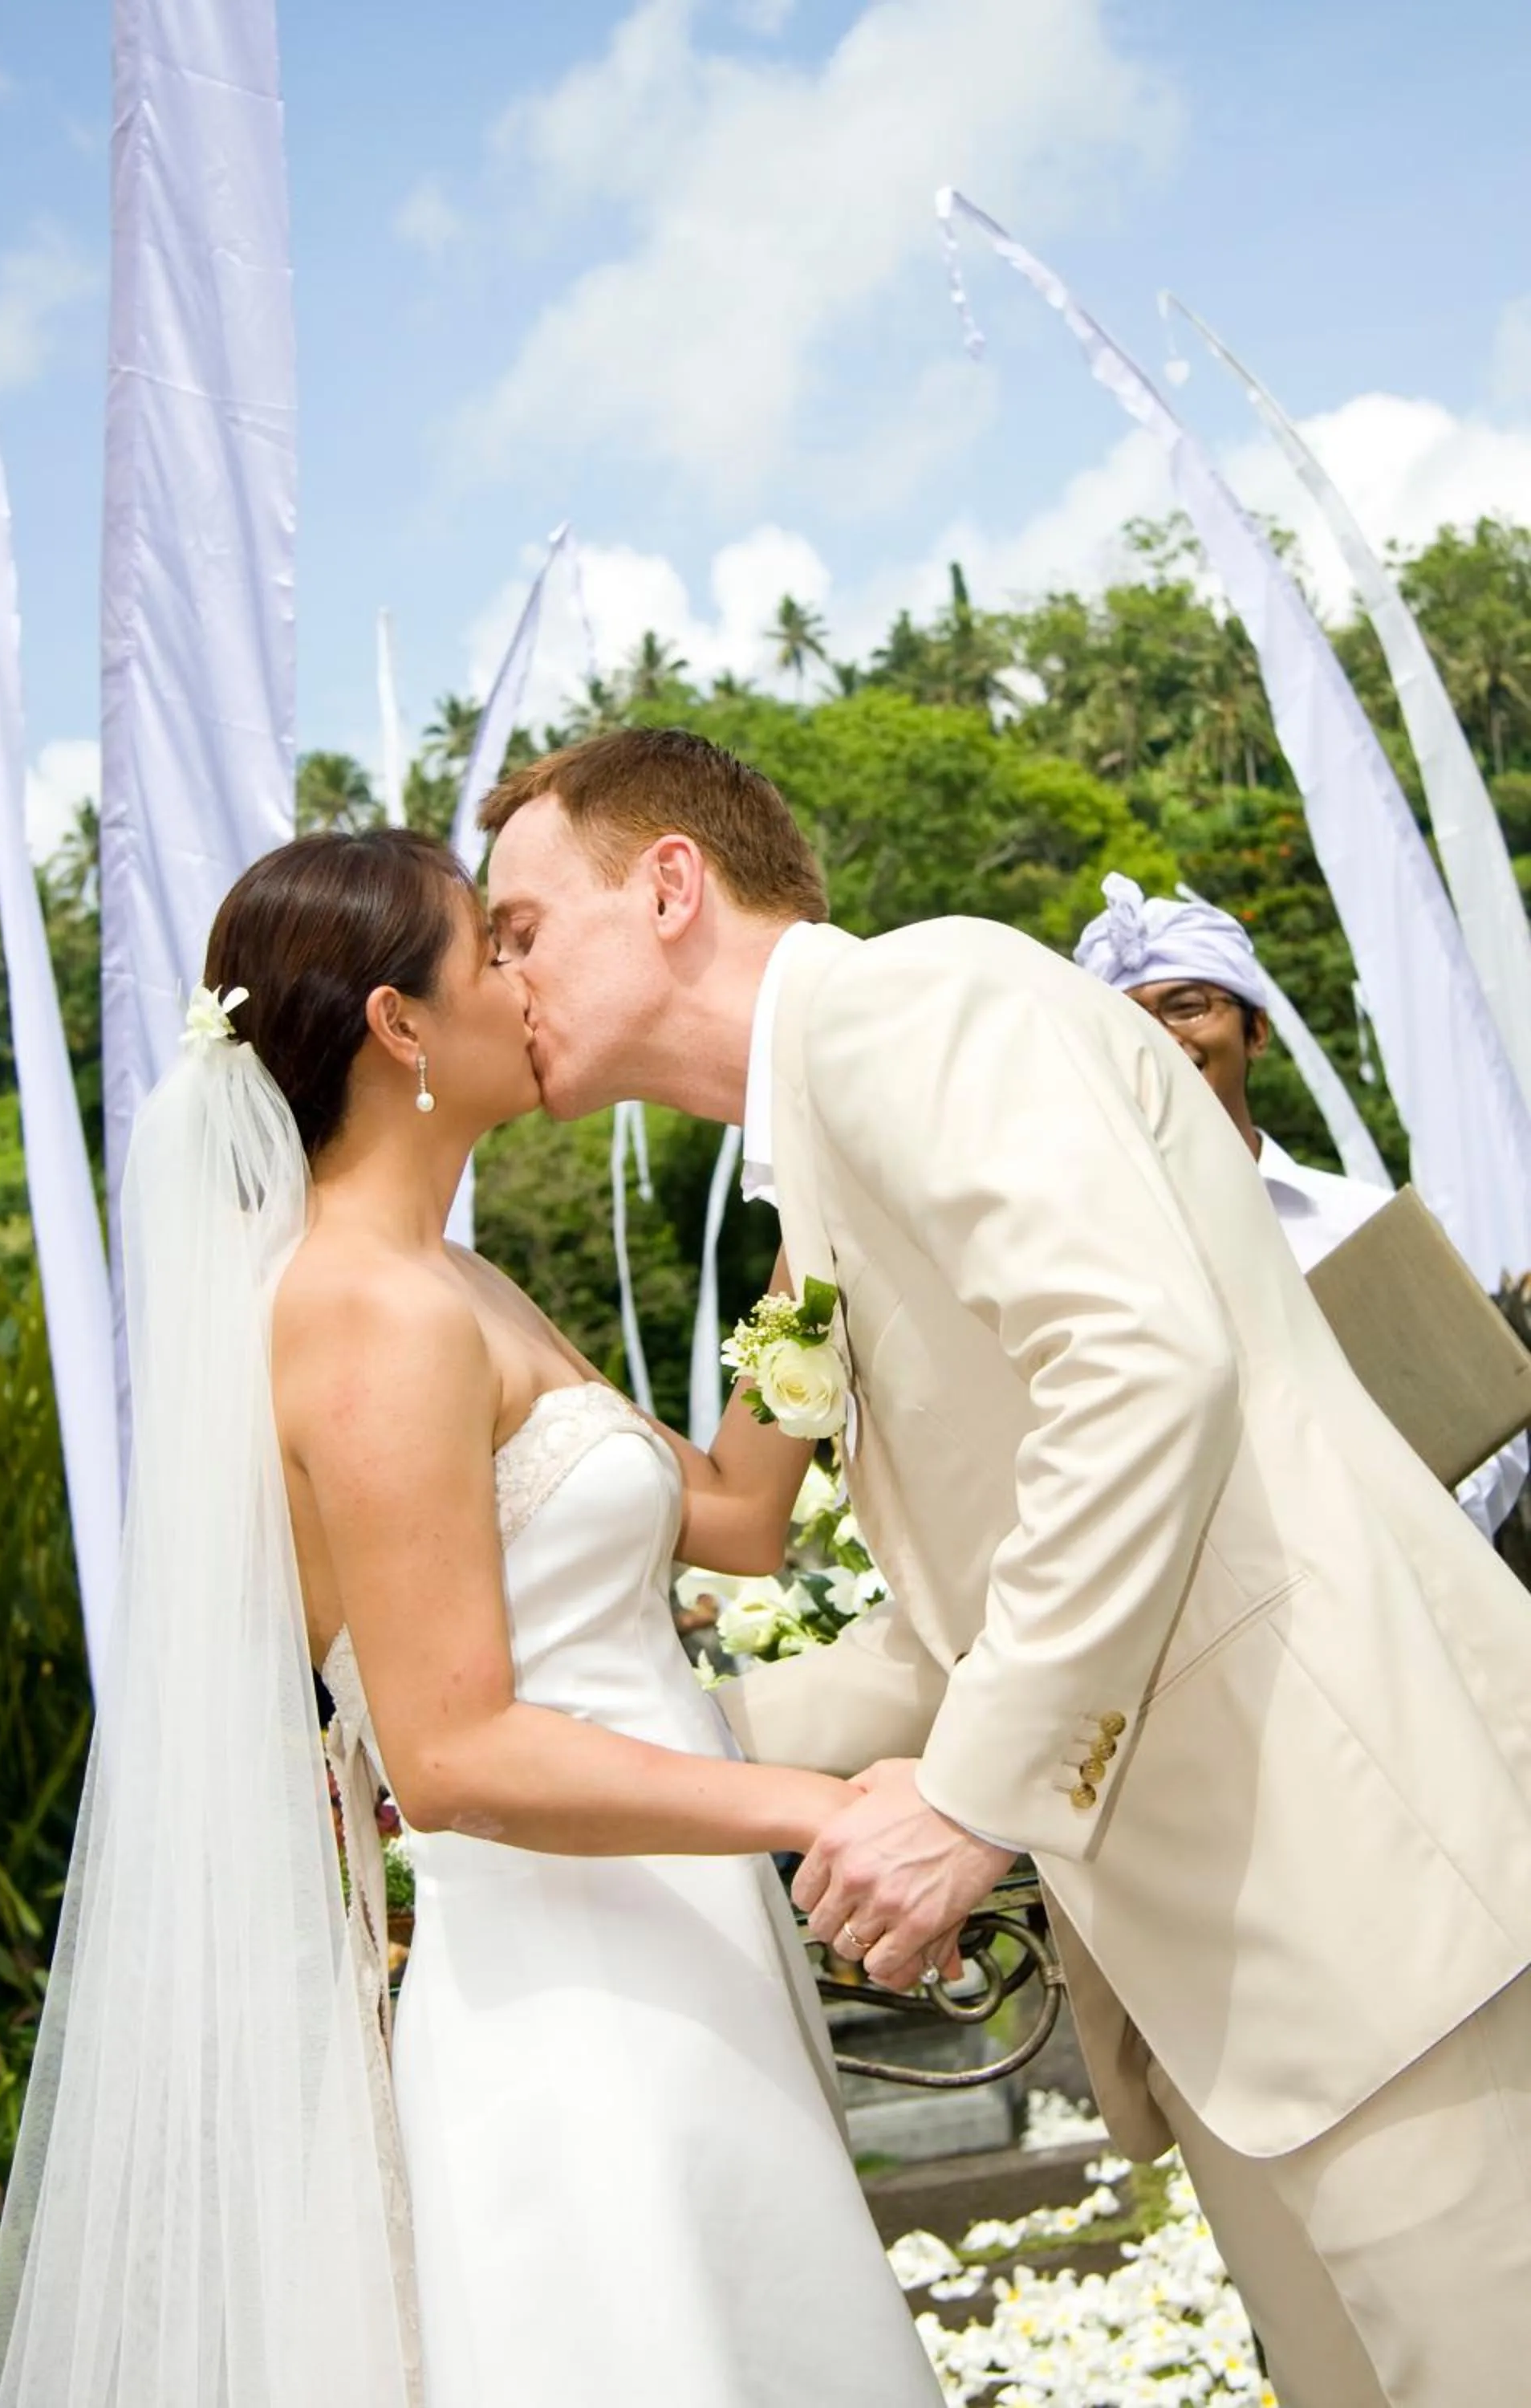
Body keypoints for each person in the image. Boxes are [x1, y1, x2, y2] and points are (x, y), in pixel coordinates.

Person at [482, 724, 1531, 2408]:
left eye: (520, 926)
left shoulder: (916, 1005)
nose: (498, 971)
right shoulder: (810, 1177)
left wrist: (967, 1799)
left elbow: (1137, 1368)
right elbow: (956, 1619)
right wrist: (634, 1741)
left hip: (1379, 1911)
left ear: (667, 885)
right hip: (1251, 1996)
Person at [0, 829, 942, 2408]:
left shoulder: (464, 1284)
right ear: (400, 1023)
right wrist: (824, 1809)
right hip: (567, 1999)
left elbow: (740, 1521)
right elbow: (457, 1752)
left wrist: (812, 1249)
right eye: (496, 948)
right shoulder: (364, 1312)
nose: (532, 977)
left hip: (678, 1933)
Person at [1072, 871, 1527, 1540]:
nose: (1160, 1041)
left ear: (1257, 1031)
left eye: (1188, 1006)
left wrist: (1411, 1530)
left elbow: (1492, 1423)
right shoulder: (1081, 1251)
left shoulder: (1361, 1224)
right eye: (1127, 1022)